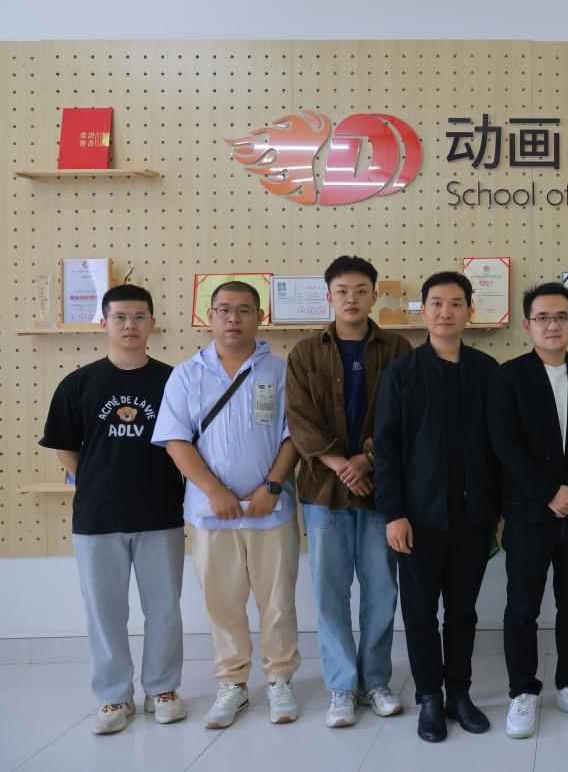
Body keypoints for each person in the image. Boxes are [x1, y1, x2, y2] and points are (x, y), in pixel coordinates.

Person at [153, 280, 301, 729]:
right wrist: (214, 491)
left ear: (260, 317)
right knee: (222, 602)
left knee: (278, 601)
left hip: (271, 510)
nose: (233, 318)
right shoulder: (187, 374)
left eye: (243, 310)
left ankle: (279, 679)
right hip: (210, 513)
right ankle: (233, 683)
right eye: (223, 310)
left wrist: (272, 486)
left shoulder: (280, 371)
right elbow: (175, 439)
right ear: (210, 316)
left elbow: (296, 435)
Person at [39, 285, 187, 735]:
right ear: (104, 323)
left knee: (164, 608)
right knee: (104, 612)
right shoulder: (78, 383)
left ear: (152, 323)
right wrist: (97, 482)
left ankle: (162, 689)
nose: (129, 325)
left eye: (139, 317)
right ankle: (114, 696)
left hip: (160, 512)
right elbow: (65, 448)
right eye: (120, 317)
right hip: (97, 518)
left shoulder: (173, 381)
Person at [372, 271, 500, 743]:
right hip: (417, 519)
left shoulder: (488, 371)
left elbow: (500, 445)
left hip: (473, 517)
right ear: (423, 311)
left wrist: (497, 510)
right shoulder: (402, 372)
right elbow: (386, 449)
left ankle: (459, 694)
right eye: (437, 303)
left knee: (463, 612)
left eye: (456, 304)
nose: (446, 312)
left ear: (470, 312)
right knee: (420, 613)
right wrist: (393, 513)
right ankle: (429, 696)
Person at [285, 256, 412, 728]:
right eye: (342, 291)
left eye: (361, 290)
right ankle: (341, 686)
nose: (351, 299)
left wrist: (368, 459)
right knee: (329, 591)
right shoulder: (305, 352)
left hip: (381, 489)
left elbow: (404, 414)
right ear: (329, 297)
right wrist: (342, 464)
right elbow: (299, 419)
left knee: (381, 589)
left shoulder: (398, 348)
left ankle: (375, 681)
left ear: (374, 295)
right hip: (324, 491)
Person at [489, 281, 568, 739]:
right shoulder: (508, 377)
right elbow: (505, 444)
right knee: (522, 606)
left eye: (561, 317)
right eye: (542, 318)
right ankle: (523, 690)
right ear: (528, 325)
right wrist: (547, 493)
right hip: (527, 513)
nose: (552, 325)